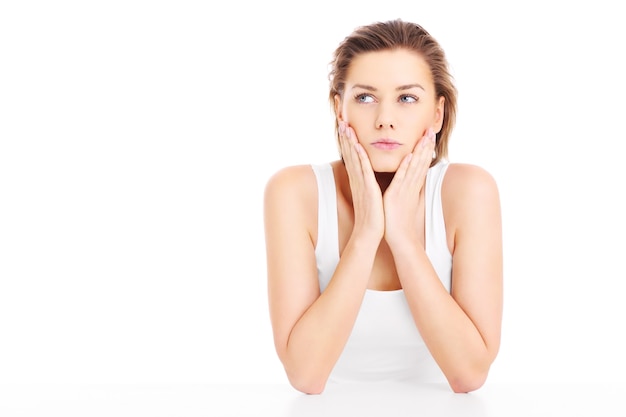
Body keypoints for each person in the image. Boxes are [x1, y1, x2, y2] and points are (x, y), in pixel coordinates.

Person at [263, 18, 503, 395]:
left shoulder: (469, 192)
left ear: (437, 113)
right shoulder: (294, 192)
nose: (385, 120)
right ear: (339, 108)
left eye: (407, 98)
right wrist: (366, 234)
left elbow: (469, 374)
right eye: (365, 98)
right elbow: (306, 377)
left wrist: (404, 239)